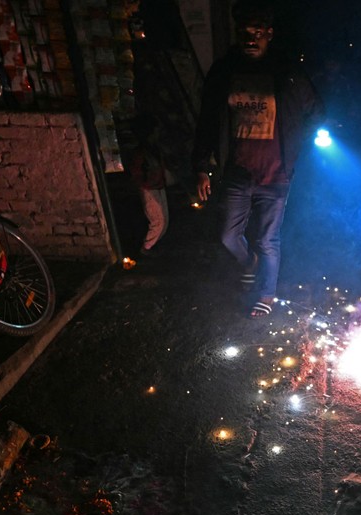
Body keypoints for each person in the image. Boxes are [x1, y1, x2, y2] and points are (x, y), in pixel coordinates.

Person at [191, 0, 324, 318]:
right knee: (227, 235)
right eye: (244, 32)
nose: (251, 38)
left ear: (269, 34)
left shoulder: (287, 73)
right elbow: (208, 122)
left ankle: (266, 294)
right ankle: (248, 263)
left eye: (258, 32)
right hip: (238, 171)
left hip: (276, 174)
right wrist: (202, 168)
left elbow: (315, 113)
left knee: (267, 239)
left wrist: (294, 147)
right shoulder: (224, 72)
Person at [128, 113, 169, 257]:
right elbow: (137, 174)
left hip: (157, 186)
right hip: (149, 188)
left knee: (164, 219)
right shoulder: (140, 153)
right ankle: (146, 247)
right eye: (156, 131)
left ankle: (154, 244)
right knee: (158, 220)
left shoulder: (154, 148)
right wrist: (145, 182)